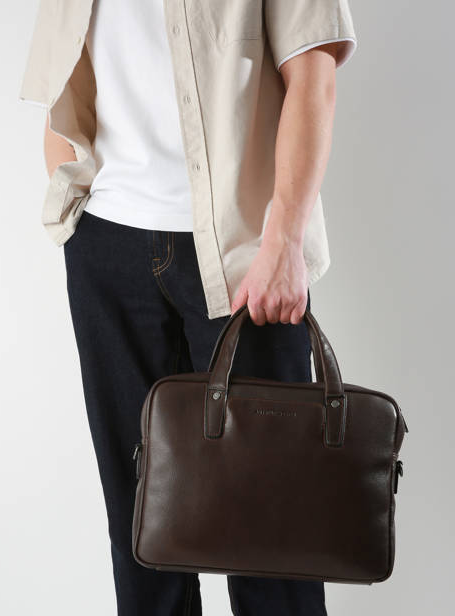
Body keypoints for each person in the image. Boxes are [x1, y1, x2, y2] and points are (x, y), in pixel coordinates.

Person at [20, 1, 357, 614]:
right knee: (141, 535)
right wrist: (72, 207)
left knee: (270, 541)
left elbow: (313, 68)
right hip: (107, 247)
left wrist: (285, 241)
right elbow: (62, 69)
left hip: (245, 256)